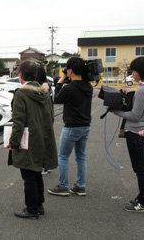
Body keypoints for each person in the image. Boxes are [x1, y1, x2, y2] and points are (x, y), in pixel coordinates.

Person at [8, 60, 58, 219]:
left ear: (21, 75)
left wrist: (13, 143)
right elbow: (51, 117)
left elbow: (18, 122)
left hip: (28, 140)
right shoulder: (45, 92)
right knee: (37, 172)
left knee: (28, 175)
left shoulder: (21, 94)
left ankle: (31, 209)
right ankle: (39, 205)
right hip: (42, 138)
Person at [48, 57, 93, 197]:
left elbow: (57, 99)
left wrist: (60, 82)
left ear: (70, 70)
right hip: (85, 126)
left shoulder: (70, 88)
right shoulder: (88, 86)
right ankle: (80, 186)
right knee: (81, 157)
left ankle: (63, 186)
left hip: (72, 127)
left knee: (63, 157)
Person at [111, 56, 144, 212]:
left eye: (134, 70)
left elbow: (134, 115)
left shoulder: (142, 91)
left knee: (140, 169)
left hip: (136, 132)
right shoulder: (142, 88)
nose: (133, 73)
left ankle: (142, 202)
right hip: (143, 131)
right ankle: (142, 197)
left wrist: (115, 111)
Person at [35, 66, 54, 175]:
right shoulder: (48, 87)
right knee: (47, 143)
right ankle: (47, 166)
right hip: (47, 117)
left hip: (38, 119)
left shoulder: (35, 88)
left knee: (39, 144)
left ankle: (41, 166)